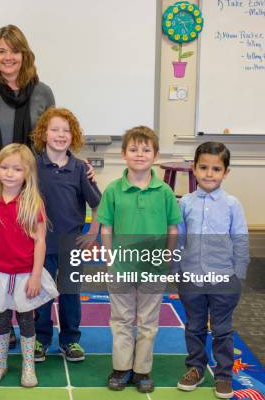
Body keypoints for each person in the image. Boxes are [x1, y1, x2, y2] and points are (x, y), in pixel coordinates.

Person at [96, 127, 181, 393]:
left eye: (146, 150)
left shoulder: (165, 191)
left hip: (153, 269)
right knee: (120, 319)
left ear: (155, 155)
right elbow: (106, 229)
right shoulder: (112, 190)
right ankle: (121, 368)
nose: (140, 154)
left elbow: (172, 228)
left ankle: (142, 370)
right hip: (121, 267)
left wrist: (166, 258)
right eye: (133, 149)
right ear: (123, 154)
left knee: (148, 322)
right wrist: (110, 260)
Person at [0, 143, 59, 388]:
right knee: (1, 320)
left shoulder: (32, 203)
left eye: (16, 169)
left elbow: (41, 241)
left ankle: (28, 366)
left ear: (27, 174)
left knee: (26, 321)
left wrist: (36, 276)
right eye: (4, 167)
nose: (9, 173)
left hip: (24, 274)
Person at [175, 142, 249, 399]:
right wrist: (177, 271)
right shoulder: (185, 203)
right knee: (194, 326)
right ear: (193, 169)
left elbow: (240, 238)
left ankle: (224, 375)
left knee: (222, 329)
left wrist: (238, 275)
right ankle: (195, 368)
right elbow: (179, 238)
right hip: (191, 277)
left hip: (223, 279)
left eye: (216, 169)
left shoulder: (232, 204)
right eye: (203, 167)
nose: (209, 174)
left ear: (225, 172)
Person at [30, 107, 101, 363]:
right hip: (41, 244)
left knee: (70, 293)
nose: (60, 135)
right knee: (41, 294)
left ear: (74, 136)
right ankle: (41, 339)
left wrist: (92, 233)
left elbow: (97, 204)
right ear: (44, 134)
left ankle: (70, 340)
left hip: (71, 243)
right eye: (55, 129)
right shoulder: (32, 166)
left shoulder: (81, 168)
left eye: (66, 131)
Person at [0, 24, 55, 168]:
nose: (8, 57)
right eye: (2, 51)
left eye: (15, 51)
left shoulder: (43, 93)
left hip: (33, 177)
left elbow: (55, 138)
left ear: (24, 55)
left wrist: (77, 164)